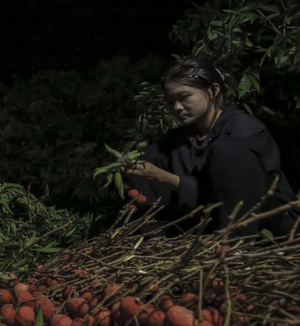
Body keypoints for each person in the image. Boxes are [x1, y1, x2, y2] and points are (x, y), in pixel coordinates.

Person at [123, 57, 299, 236]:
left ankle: (235, 246)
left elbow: (221, 191)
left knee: (224, 149)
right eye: (170, 102)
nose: (177, 107)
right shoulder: (178, 140)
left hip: (266, 221)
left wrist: (161, 176)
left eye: (184, 97)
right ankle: (153, 236)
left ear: (213, 90)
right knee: (146, 159)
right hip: (210, 217)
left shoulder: (245, 129)